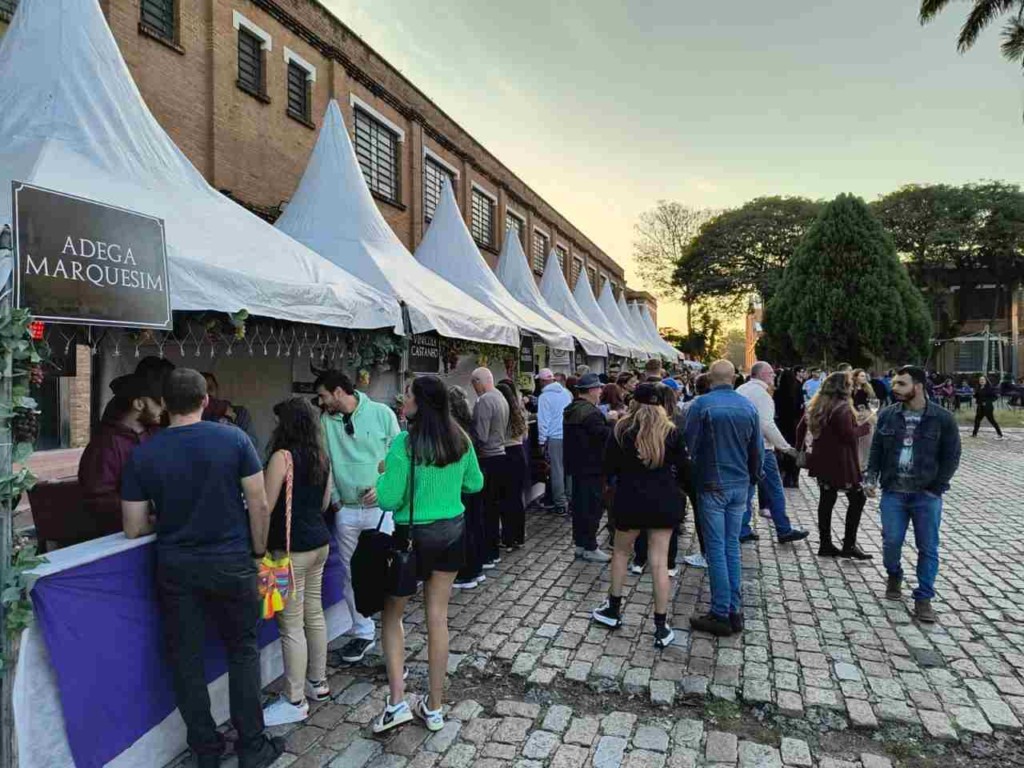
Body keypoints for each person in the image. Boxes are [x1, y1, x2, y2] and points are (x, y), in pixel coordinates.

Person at [121, 369, 284, 768]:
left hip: (176, 568)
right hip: (232, 562)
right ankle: (252, 746)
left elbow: (133, 526)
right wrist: (258, 550)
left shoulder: (143, 454)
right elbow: (259, 503)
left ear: (164, 405)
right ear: (205, 401)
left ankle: (206, 750)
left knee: (186, 660)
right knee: (242, 651)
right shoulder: (235, 440)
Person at [372, 376, 483, 733]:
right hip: (451, 532)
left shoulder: (405, 444)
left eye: (406, 394)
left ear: (419, 402)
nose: (402, 400)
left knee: (393, 616)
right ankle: (434, 707)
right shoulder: (460, 439)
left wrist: (384, 475)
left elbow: (389, 499)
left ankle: (397, 703)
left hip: (412, 536)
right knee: (438, 617)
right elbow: (475, 484)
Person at [592, 383, 688, 649]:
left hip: (630, 499)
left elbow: (608, 466)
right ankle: (661, 625)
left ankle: (613, 609)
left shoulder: (622, 430)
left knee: (621, 553)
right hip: (663, 500)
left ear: (634, 401)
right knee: (659, 563)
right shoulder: (671, 431)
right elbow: (683, 468)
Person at [315, 369, 400, 664]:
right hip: (347, 510)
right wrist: (336, 501)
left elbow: (397, 456)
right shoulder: (326, 421)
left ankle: (392, 626)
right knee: (350, 572)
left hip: (380, 508)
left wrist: (384, 487)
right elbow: (325, 463)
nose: (321, 402)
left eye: (324, 395)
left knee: (386, 569)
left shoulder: (381, 413)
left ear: (339, 391)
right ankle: (363, 631)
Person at [865, 365, 961, 623]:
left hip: (925, 494)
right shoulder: (887, 416)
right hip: (893, 491)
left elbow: (951, 457)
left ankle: (924, 598)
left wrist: (936, 489)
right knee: (891, 541)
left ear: (917, 387)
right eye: (894, 383)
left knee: (928, 547)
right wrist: (870, 477)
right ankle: (894, 573)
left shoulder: (942, 418)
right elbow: (876, 451)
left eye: (901, 384)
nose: (894, 388)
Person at [260, 398, 334, 726]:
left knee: (291, 625)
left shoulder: (282, 458)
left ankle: (294, 698)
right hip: (319, 544)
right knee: (314, 615)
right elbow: (325, 502)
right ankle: (318, 683)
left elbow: (265, 504)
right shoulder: (322, 456)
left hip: (289, 552)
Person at [684, 360, 763, 637]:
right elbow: (758, 449)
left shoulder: (701, 406)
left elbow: (689, 445)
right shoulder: (748, 407)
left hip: (712, 483)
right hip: (739, 483)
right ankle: (734, 609)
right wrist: (753, 477)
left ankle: (721, 612)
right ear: (733, 378)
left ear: (710, 378)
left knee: (716, 548)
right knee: (731, 546)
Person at [797, 373, 874, 560]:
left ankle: (825, 543)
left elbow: (800, 428)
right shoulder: (842, 409)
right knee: (857, 498)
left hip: (822, 459)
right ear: (843, 387)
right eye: (849, 384)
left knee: (827, 499)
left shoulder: (818, 405)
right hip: (841, 461)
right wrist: (866, 426)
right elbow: (848, 435)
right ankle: (849, 544)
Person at [78, 372, 163, 538]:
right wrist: (145, 510)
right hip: (119, 539)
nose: (163, 408)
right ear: (139, 404)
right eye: (158, 402)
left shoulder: (156, 434)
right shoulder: (104, 445)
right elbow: (99, 500)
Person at [736, 362, 809, 545]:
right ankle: (783, 529)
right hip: (763, 448)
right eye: (772, 375)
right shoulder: (762, 395)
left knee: (748, 489)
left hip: (743, 447)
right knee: (775, 490)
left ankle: (742, 529)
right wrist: (786, 448)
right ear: (765, 374)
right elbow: (767, 425)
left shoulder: (742, 389)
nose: (774, 378)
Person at [563, 373, 613, 563]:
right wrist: (613, 422)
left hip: (577, 467)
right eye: (599, 388)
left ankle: (581, 544)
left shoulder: (573, 408)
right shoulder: (590, 413)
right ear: (592, 390)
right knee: (592, 507)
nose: (601, 392)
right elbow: (603, 436)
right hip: (592, 467)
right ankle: (590, 546)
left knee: (580, 507)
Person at [471, 368, 510, 570]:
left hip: (488, 458)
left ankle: (487, 553)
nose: (474, 389)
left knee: (485, 509)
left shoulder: (485, 400)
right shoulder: (501, 397)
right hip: (500, 455)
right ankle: (493, 551)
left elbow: (481, 435)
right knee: (493, 508)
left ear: (479, 381)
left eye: (473, 384)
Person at [449, 386, 486, 590]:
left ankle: (466, 573)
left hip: (462, 485)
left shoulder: (454, 430)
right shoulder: (470, 424)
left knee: (464, 530)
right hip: (474, 481)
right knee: (475, 525)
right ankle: (476, 568)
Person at [536, 368, 573, 515]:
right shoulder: (566, 393)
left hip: (555, 437)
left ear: (543, 381)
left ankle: (560, 503)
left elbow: (543, 421)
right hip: (568, 434)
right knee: (569, 470)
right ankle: (571, 500)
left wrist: (541, 441)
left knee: (557, 470)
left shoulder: (544, 397)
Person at [497, 381, 528, 550]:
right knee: (516, 498)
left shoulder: (501, 411)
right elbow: (525, 437)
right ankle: (519, 536)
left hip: (505, 454)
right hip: (519, 454)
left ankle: (507, 537)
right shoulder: (519, 412)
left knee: (505, 499)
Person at [773, 368, 804, 488]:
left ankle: (783, 473)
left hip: (782, 423)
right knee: (794, 450)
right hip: (795, 424)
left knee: (783, 449)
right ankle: (794, 478)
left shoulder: (778, 392)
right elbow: (801, 406)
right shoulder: (798, 388)